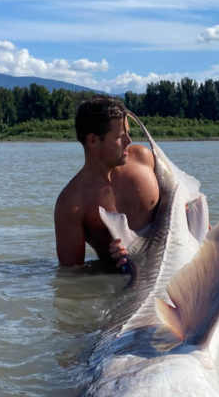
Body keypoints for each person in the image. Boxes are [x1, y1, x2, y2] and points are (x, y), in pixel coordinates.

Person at [54, 95, 159, 268]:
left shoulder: (143, 158)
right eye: (120, 136)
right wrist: (113, 262)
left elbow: (178, 203)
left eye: (128, 133)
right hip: (127, 280)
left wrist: (192, 225)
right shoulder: (71, 204)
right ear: (93, 140)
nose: (129, 140)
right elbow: (71, 276)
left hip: (172, 263)